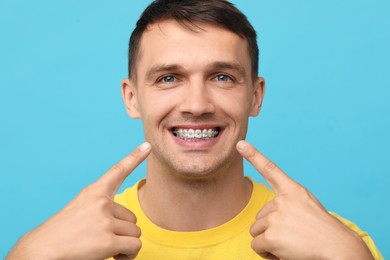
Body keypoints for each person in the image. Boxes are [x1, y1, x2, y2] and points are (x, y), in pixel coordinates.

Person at [7, 0, 383, 259]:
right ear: (132, 97)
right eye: (169, 77)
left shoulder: (338, 245)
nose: (197, 104)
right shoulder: (62, 248)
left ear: (255, 96)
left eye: (222, 77)